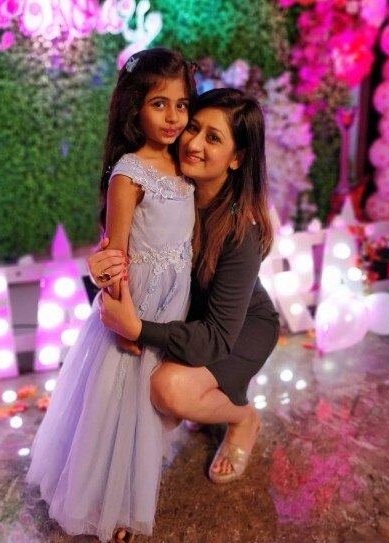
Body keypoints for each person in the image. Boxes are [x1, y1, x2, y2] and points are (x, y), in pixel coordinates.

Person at [26, 48, 197, 543]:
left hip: (172, 303)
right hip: (136, 304)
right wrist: (123, 322)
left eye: (182, 105)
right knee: (120, 400)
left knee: (152, 400)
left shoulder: (184, 164)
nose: (173, 117)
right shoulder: (129, 172)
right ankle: (109, 504)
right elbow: (115, 252)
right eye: (159, 104)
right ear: (134, 107)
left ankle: (135, 480)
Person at [91, 88, 280, 487]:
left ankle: (243, 417)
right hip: (190, 317)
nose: (193, 143)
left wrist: (137, 328)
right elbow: (129, 248)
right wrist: (105, 267)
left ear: (236, 158)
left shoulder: (241, 233)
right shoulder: (174, 189)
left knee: (169, 391)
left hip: (237, 329)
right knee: (132, 402)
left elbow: (216, 336)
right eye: (193, 128)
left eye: (213, 138)